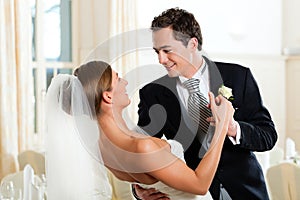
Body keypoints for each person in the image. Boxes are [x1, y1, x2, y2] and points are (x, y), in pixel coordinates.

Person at [134, 7, 278, 200]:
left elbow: (268, 135)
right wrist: (138, 190)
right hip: (194, 195)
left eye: (167, 50)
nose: (161, 59)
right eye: (157, 51)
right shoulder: (153, 94)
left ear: (192, 44)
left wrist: (232, 127)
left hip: (246, 192)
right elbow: (142, 152)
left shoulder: (238, 77)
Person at [46, 60, 234, 199]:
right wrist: (222, 123)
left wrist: (140, 193)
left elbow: (147, 174)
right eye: (118, 79)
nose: (125, 83)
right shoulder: (142, 147)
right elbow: (200, 185)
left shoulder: (101, 149)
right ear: (107, 97)